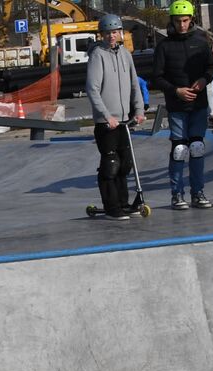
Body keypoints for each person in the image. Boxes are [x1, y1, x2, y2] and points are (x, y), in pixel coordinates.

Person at [151, 0, 213, 209]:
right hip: (177, 106)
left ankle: (197, 192)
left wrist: (204, 80)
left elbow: (211, 68)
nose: (181, 25)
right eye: (178, 21)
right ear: (172, 21)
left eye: (185, 20)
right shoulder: (164, 46)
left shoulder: (201, 42)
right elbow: (157, 78)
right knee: (180, 149)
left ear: (192, 20)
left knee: (196, 147)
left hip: (198, 105)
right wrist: (175, 91)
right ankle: (177, 194)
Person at [86, 15, 146, 221]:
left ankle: (123, 203)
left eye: (115, 32)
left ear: (120, 33)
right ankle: (111, 207)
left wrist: (139, 110)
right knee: (110, 164)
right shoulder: (98, 55)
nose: (111, 36)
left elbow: (134, 84)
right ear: (101, 34)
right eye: (107, 33)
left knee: (125, 164)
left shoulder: (125, 54)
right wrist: (106, 116)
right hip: (107, 123)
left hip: (124, 121)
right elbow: (92, 89)